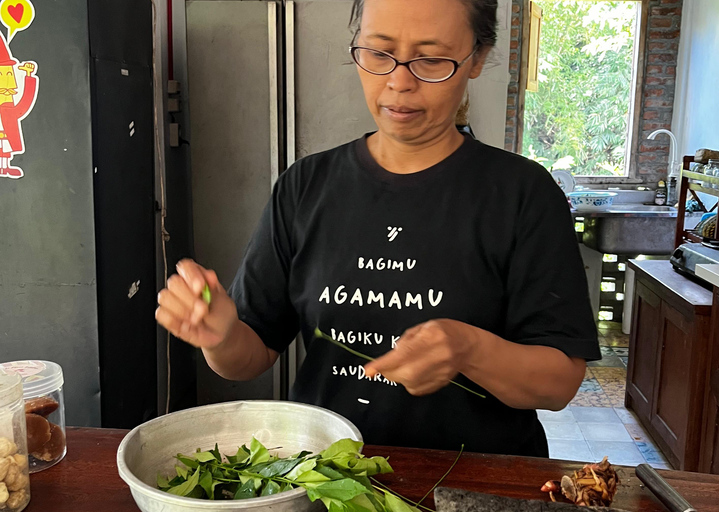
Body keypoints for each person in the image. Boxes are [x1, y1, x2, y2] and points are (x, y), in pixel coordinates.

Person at [156, 0, 599, 457]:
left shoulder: (522, 194)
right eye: (379, 53)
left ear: (477, 59)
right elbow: (250, 357)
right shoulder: (305, 186)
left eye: (430, 59)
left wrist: (470, 349)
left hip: (474, 484)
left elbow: (558, 383)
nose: (399, 81)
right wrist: (222, 336)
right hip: (327, 477)